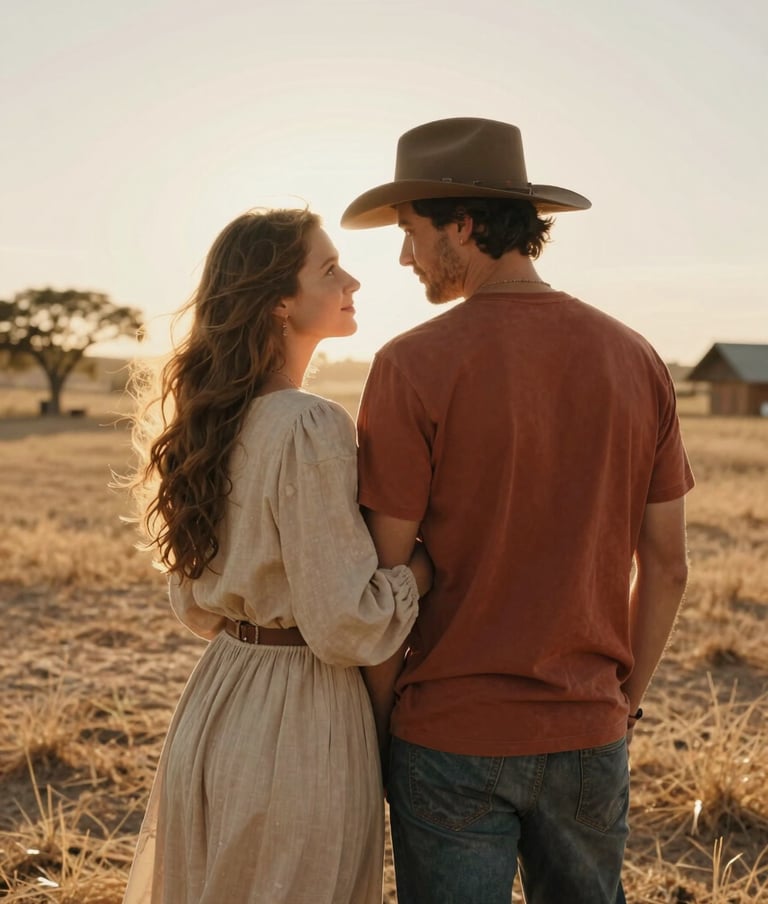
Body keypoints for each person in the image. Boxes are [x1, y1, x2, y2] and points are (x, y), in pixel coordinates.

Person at [340, 117, 694, 904]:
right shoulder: (636, 357)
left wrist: (386, 715)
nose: (404, 256)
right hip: (590, 731)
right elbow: (666, 565)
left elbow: (383, 573)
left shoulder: (409, 364)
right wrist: (619, 705)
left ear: (462, 226)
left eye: (411, 231)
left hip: (449, 737)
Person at [121, 207, 432, 904]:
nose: (352, 278)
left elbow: (193, 605)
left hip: (217, 700)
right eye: (328, 269)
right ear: (279, 302)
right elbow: (344, 624)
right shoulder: (310, 423)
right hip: (302, 714)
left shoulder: (210, 421)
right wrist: (418, 573)